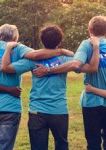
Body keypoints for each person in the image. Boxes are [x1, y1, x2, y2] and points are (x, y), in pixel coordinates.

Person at [0, 24, 73, 150]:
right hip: (11, 107)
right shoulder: (18, 48)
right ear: (15, 37)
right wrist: (60, 51)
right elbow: (35, 55)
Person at [33, 16, 106, 150]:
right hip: (92, 101)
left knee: (93, 143)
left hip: (91, 102)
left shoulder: (87, 44)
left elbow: (76, 64)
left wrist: (48, 70)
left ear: (90, 30)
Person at [0, 24, 76, 150]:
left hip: (37, 111)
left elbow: (5, 68)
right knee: (62, 145)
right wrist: (64, 52)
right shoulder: (66, 58)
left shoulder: (32, 60)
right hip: (59, 110)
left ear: (42, 40)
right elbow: (77, 64)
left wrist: (8, 49)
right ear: (60, 40)